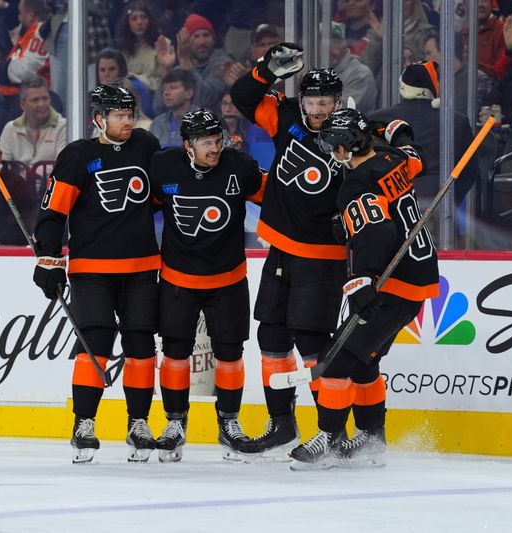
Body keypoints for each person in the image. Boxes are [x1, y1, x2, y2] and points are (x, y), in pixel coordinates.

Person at [289, 109, 438, 470]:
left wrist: (361, 280)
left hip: (392, 284)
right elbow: (413, 151)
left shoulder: (355, 185)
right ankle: (372, 438)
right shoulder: (394, 159)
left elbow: (377, 233)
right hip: (418, 276)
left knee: (337, 361)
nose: (329, 149)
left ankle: (328, 438)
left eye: (332, 143)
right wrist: (397, 129)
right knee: (364, 362)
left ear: (344, 146)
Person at [32, 83, 162, 464]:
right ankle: (84, 423)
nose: (127, 122)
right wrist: (49, 261)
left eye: (130, 115)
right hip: (92, 269)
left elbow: (162, 196)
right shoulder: (77, 155)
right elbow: (53, 213)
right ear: (99, 119)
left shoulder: (146, 146)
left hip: (141, 266)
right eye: (120, 116)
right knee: (97, 344)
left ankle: (138, 421)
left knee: (140, 345)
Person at [231, 44, 347, 460]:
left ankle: (329, 432)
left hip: (324, 255)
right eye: (312, 99)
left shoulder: (355, 133)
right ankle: (281, 424)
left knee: (314, 342)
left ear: (338, 101)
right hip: (281, 248)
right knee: (272, 335)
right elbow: (243, 97)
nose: (317, 108)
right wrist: (266, 70)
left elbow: (380, 176)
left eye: (325, 101)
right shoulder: (287, 114)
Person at [149, 109, 265, 462]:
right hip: (177, 279)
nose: (215, 149)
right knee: (175, 354)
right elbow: (139, 208)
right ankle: (175, 424)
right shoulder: (163, 167)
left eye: (218, 141)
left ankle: (229, 424)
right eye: (207, 143)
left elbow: (277, 198)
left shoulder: (240, 167)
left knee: (230, 355)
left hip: (228, 279)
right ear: (188, 145)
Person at [368, 60, 479, 208]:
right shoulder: (456, 121)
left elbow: (365, 166)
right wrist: (451, 197)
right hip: (439, 207)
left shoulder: (377, 119)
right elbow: (470, 169)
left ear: (402, 86)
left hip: (390, 207)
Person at [154, 13, 231, 114]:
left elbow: (204, 100)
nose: (202, 42)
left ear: (214, 40)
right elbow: (159, 109)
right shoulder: (179, 68)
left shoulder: (222, 63)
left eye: (206, 35)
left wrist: (185, 61)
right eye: (196, 36)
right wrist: (168, 70)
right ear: (186, 41)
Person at [0, 76, 67, 170]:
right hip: (16, 184)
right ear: (22, 105)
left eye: (45, 98)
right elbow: (2, 168)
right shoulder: (10, 129)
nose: (42, 104)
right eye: (35, 100)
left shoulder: (64, 127)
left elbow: (64, 167)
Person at [117, 0, 163, 92]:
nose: (139, 22)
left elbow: (165, 81)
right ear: (128, 23)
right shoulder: (124, 50)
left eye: (143, 17)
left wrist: (143, 81)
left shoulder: (161, 44)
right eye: (134, 18)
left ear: (150, 20)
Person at [149, 69, 198, 148]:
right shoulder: (158, 123)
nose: (166, 92)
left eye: (173, 87)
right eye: (164, 88)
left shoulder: (204, 122)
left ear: (188, 93)